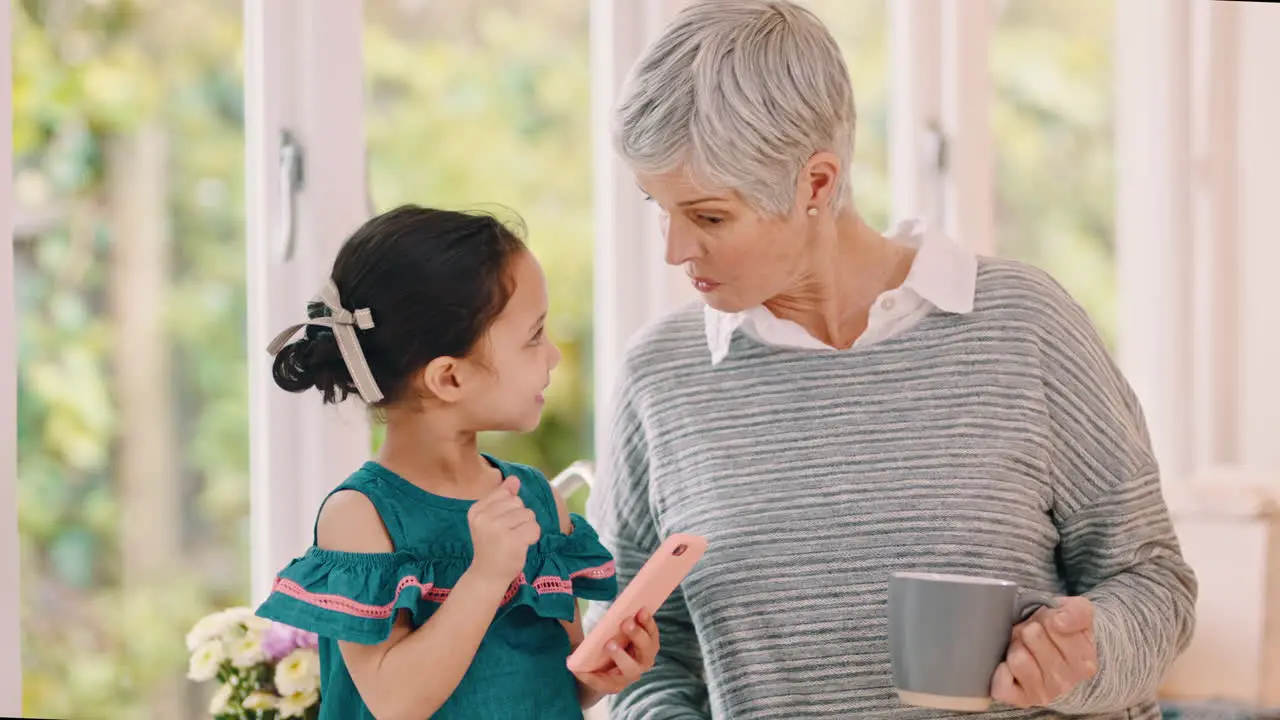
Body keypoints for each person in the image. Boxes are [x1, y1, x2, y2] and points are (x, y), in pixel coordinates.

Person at [586, 1, 1197, 718]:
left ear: (815, 182)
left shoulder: (1023, 325)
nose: (673, 250)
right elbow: (631, 648)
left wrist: (1081, 660)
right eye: (659, 207)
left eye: (709, 216)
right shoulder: (663, 376)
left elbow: (1152, 582)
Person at [255, 206, 660, 719]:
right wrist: (486, 575)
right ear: (449, 378)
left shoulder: (535, 500)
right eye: (534, 336)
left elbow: (548, 684)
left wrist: (597, 675)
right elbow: (397, 701)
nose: (553, 356)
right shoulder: (360, 516)